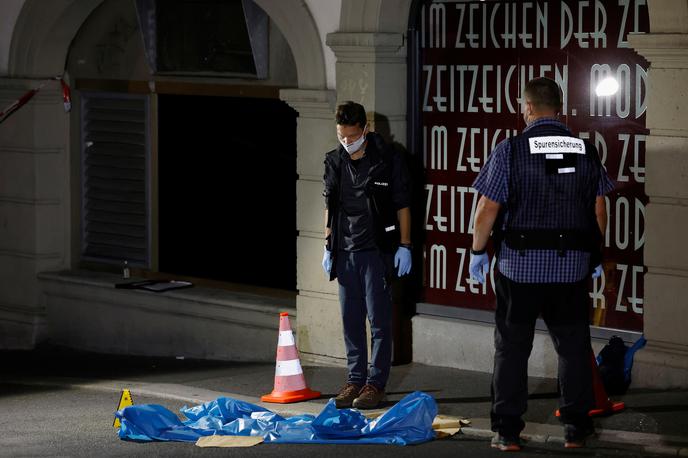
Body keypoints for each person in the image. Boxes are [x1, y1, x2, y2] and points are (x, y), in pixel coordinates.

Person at [469, 77, 614, 451]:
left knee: (513, 349)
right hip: (570, 272)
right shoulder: (585, 151)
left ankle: (506, 432)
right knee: (573, 348)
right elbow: (599, 207)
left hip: (519, 271)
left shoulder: (511, 150)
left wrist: (477, 251)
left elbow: (488, 208)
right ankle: (576, 429)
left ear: (529, 107)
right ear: (559, 107)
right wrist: (594, 254)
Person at [322, 101, 412, 409]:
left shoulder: (388, 159)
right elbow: (330, 205)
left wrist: (405, 245)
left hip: (377, 251)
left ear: (365, 129)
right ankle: (354, 380)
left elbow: (402, 203)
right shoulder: (334, 161)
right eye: (341, 136)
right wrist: (327, 244)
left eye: (352, 136)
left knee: (379, 322)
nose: (347, 142)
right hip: (345, 252)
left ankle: (375, 384)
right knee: (350, 320)